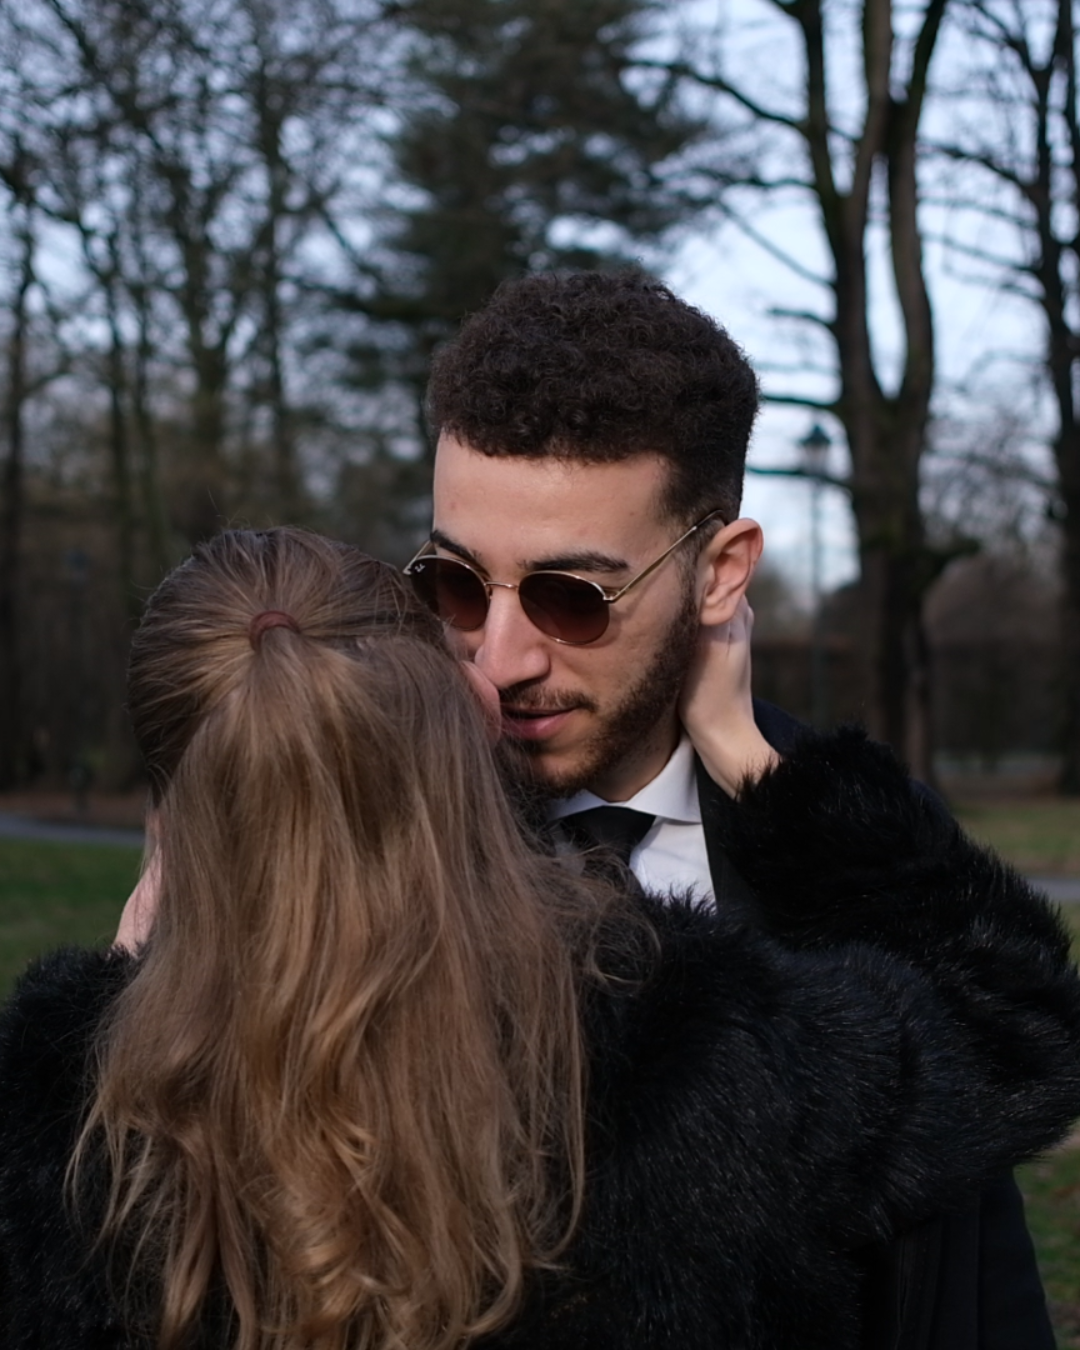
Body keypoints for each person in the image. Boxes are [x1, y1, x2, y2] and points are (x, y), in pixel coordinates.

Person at [2, 526, 1080, 1350]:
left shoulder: (65, 1136)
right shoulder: (684, 1059)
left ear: (172, 807)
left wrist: (108, 996)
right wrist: (750, 753)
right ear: (463, 718)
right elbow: (1015, 1017)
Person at [405, 267, 1060, 1350]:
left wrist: (765, 779)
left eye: (573, 597)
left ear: (720, 574)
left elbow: (968, 1271)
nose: (499, 657)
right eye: (456, 583)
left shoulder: (860, 849)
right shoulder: (370, 829)